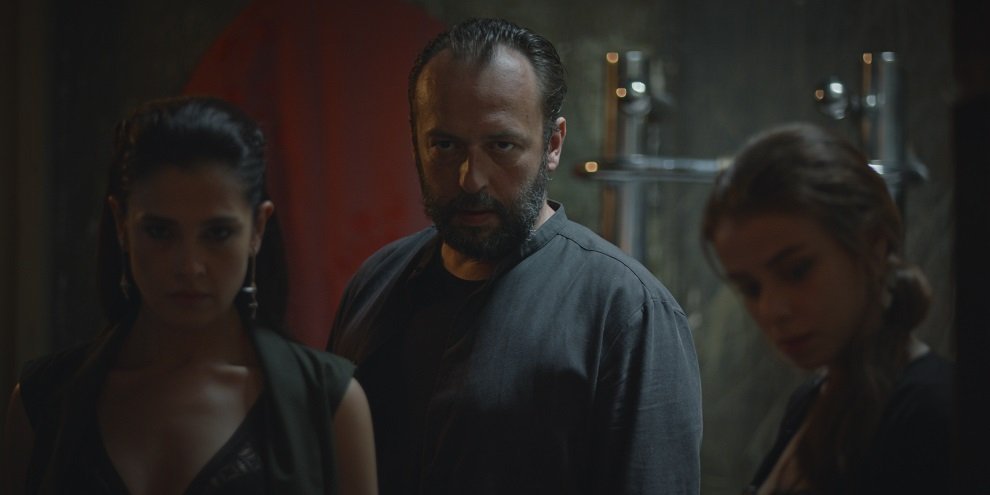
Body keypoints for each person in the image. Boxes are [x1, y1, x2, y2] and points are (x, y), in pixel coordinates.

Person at [328, 17, 702, 494]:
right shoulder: (375, 282)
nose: (471, 179)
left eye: (501, 145)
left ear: (553, 144)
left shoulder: (628, 313)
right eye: (445, 145)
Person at [2, 96, 377, 494]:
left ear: (257, 229)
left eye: (217, 233)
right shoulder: (42, 403)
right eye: (160, 232)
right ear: (121, 224)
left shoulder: (329, 405)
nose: (189, 266)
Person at [701, 123, 953, 494]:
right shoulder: (813, 400)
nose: (771, 310)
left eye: (797, 271)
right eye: (750, 288)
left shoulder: (935, 412)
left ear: (874, 245)